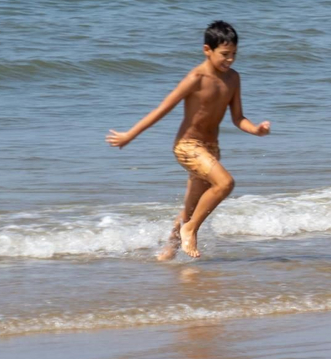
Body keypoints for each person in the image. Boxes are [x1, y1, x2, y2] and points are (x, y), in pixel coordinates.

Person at [106, 20, 271, 260]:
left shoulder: (233, 79)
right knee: (225, 184)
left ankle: (167, 252)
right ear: (207, 50)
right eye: (224, 54)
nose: (230, 60)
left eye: (234, 54)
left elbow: (238, 117)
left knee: (190, 208)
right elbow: (163, 108)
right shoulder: (196, 77)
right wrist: (130, 135)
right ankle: (191, 229)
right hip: (187, 146)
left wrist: (255, 130)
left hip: (211, 150)